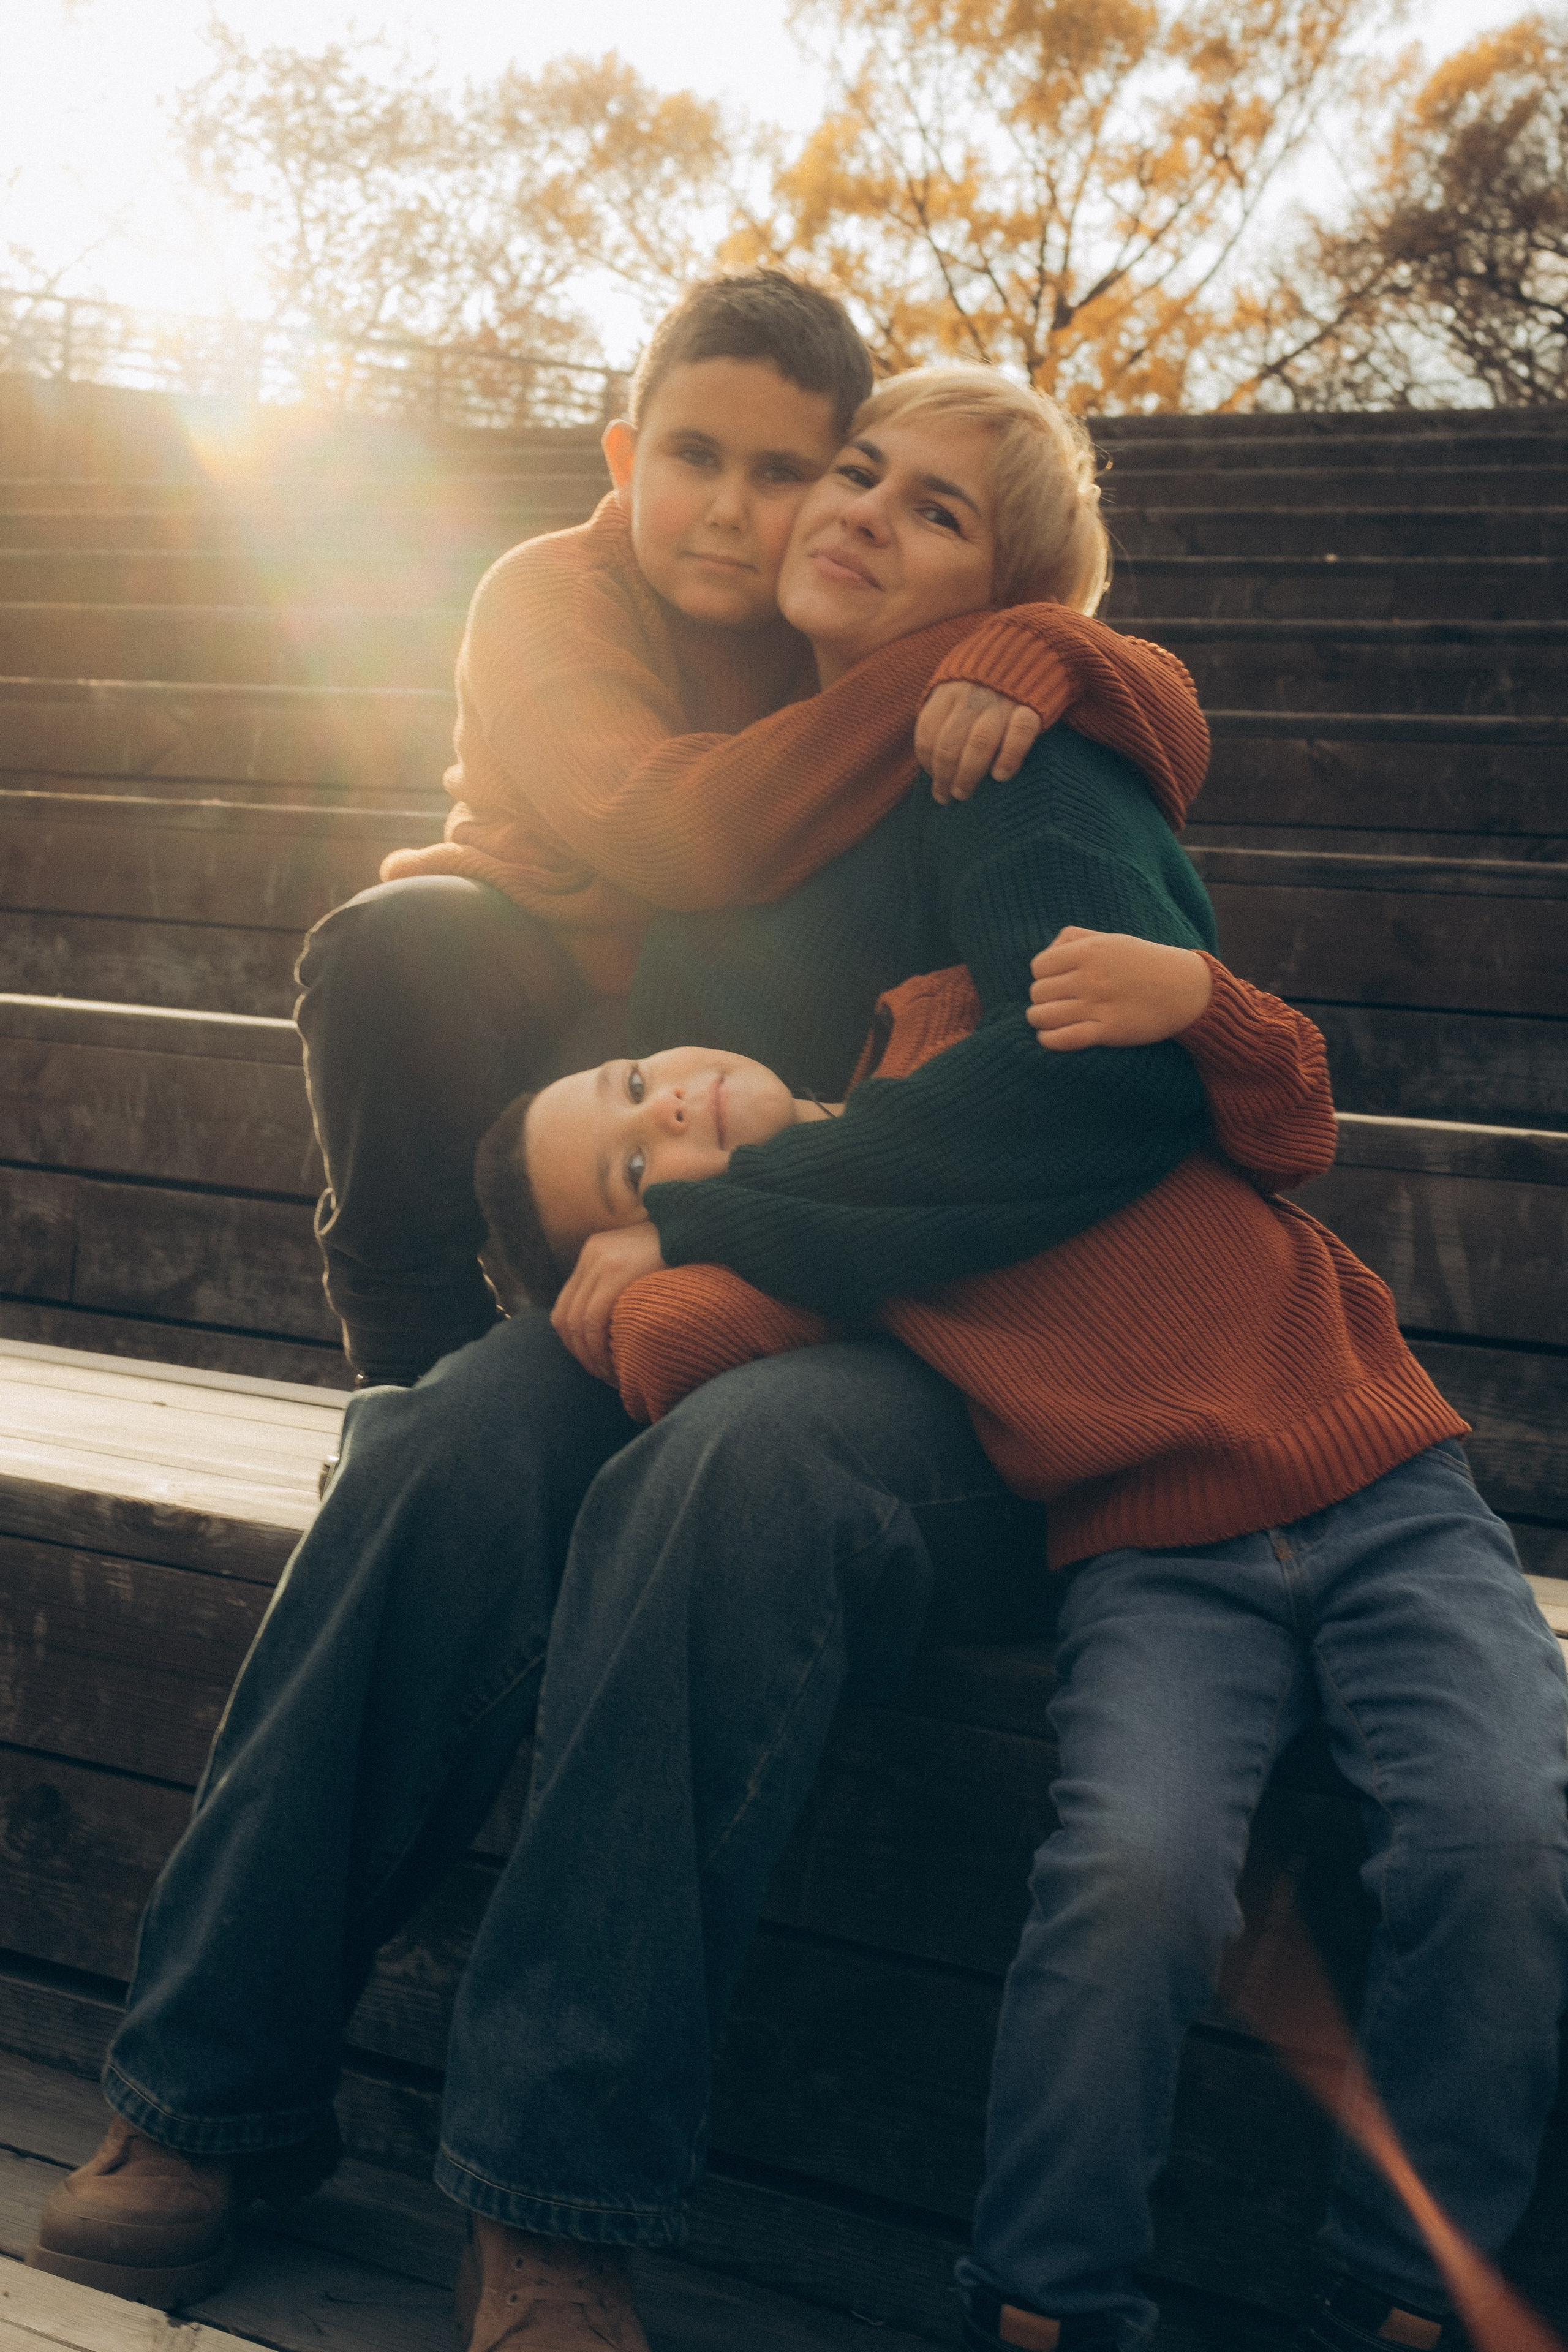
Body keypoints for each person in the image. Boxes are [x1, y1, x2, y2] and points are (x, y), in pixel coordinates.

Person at [18, 369, 1391, 2352]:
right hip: (749, 1293)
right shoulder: (758, 764)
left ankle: (551, 2193)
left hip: (996, 1376)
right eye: (854, 471)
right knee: (452, 1436)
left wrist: (733, 1217)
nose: (845, 512)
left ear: (1011, 586)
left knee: (730, 1469)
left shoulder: (1011, 752)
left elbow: (1105, 1101)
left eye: (928, 506)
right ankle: (210, 2086)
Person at [472, 966, 1568, 2348]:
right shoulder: (815, 1246)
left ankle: (1410, 2289)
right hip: (1153, 1562)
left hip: (1392, 1491)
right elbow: (667, 1357)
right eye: (634, 1170)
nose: (671, 1115)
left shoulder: (944, 1022)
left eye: (633, 1086)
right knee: (1132, 1874)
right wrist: (681, 1253)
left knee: (1501, 1833)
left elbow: (1284, 1107)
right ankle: (1048, 2300)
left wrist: (1189, 992)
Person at [299, 268, 1205, 1384]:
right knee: (393, 941)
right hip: (550, 975)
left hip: (738, 1006)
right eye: (694, 458)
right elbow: (673, 831)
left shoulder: (818, 602)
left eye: (780, 473)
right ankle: (404, 1385)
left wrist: (1038, 646)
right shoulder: (548, 593)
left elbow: (1156, 703)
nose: (731, 509)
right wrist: (963, 643)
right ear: (627, 461)